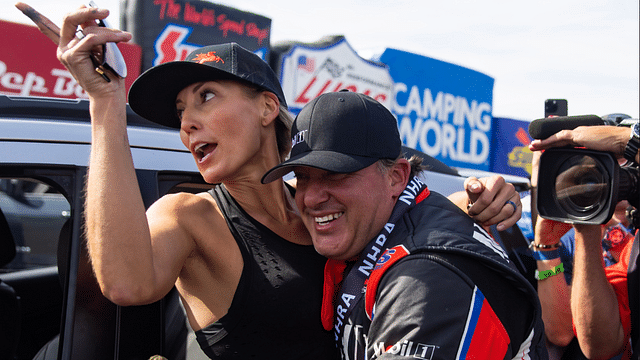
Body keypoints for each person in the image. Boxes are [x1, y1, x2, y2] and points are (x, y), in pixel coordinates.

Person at [53, 6, 524, 359]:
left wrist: (481, 198)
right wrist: (105, 104)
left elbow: (404, 211)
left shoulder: (322, 205)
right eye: (181, 113)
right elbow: (126, 285)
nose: (188, 124)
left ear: (266, 108)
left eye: (206, 97)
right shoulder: (188, 216)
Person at [261, 91, 548, 360]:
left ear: (396, 177)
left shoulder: (428, 277)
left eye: (335, 174)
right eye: (302, 177)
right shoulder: (387, 225)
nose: (310, 197)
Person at [529, 122, 640, 360]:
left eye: (622, 157)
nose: (615, 170)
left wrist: (628, 140)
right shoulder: (569, 237)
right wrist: (549, 246)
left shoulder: (632, 240)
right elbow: (566, 335)